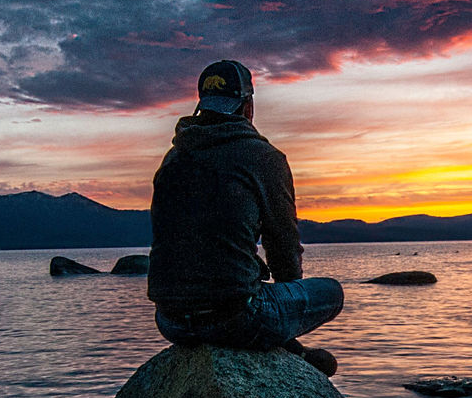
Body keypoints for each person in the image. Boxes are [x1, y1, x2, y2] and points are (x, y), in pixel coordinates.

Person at [147, 60, 344, 376]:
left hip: (170, 321)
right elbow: (283, 247)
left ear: (202, 104)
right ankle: (290, 350)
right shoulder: (262, 157)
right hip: (235, 319)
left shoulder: (172, 159)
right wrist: (284, 313)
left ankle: (286, 346)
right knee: (332, 292)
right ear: (248, 105)